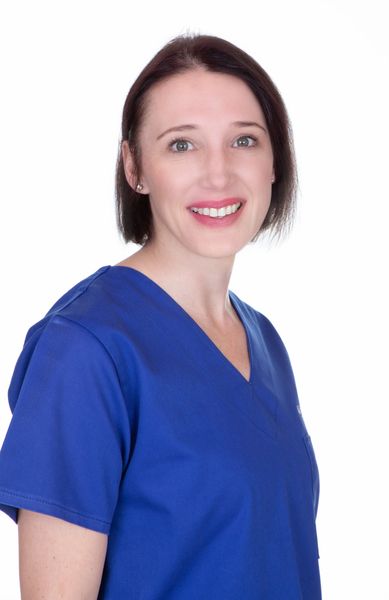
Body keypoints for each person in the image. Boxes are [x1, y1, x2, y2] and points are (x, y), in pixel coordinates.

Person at [0, 33, 321, 599]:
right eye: (182, 145)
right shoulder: (85, 349)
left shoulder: (265, 342)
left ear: (276, 161)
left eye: (244, 140)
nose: (218, 174)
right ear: (135, 168)